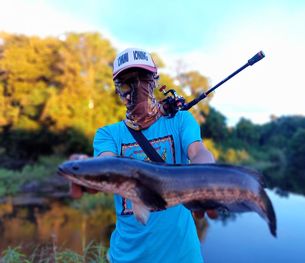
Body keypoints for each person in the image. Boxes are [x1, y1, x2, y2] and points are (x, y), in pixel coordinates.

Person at [71, 48, 215, 263]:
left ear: (155, 80)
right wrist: (86, 171)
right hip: (127, 257)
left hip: (183, 256)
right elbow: (105, 164)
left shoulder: (180, 121)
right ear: (118, 89)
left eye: (143, 78)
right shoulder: (108, 134)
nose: (137, 88)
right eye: (128, 82)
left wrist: (208, 176)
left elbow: (197, 151)